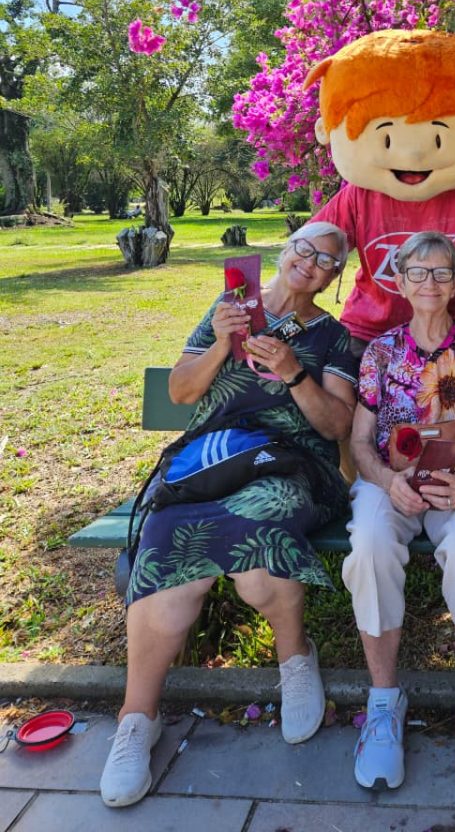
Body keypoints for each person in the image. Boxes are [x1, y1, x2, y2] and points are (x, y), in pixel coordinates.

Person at [100, 222, 358, 808]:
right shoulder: (229, 310)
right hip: (210, 462)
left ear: (334, 277)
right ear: (284, 251)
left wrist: (293, 371)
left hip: (292, 467)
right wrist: (220, 343)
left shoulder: (336, 340)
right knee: (167, 550)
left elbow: (337, 427)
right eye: (304, 248)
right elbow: (183, 392)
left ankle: (294, 659)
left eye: (327, 260)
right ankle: (136, 720)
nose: (311, 263)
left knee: (259, 554)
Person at [342, 231, 455, 795]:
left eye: (442, 272)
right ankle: (384, 704)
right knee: (367, 546)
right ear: (401, 280)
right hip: (392, 484)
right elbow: (361, 443)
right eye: (419, 272)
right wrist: (389, 483)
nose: (431, 283)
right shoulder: (381, 352)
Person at [304, 29, 455, 367]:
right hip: (367, 330)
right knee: (349, 407)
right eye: (387, 139)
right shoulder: (359, 197)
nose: (414, 155)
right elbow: (313, 250)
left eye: (436, 139)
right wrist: (276, 304)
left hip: (448, 332)